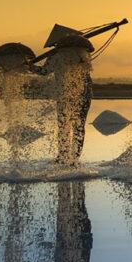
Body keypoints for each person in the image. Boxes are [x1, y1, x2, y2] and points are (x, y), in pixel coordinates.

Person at [35, 35, 95, 166]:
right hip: (79, 96)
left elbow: (43, 71)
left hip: (71, 96)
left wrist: (29, 66)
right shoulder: (83, 55)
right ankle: (71, 157)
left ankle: (66, 156)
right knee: (77, 126)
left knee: (66, 126)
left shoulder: (58, 55)